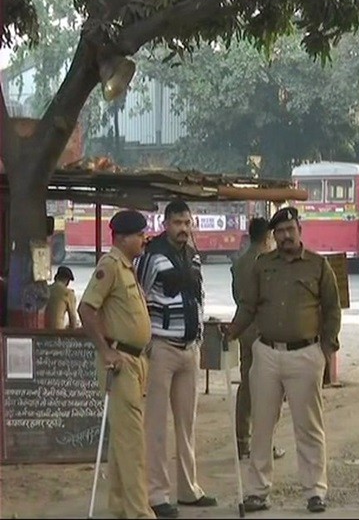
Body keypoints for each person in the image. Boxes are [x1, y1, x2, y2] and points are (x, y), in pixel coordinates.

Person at [224, 206, 341, 514]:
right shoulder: (262, 266)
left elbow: (332, 309)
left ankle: (315, 491)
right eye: (280, 232)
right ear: (273, 236)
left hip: (305, 354)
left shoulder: (318, 265)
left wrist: (326, 349)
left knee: (309, 427)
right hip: (266, 354)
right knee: (262, 426)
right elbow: (248, 306)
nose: (286, 236)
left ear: (300, 230)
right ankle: (257, 492)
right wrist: (232, 331)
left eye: (291, 230)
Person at [135, 201, 216, 518]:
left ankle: (189, 489)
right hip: (161, 347)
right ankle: (156, 494)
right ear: (165, 224)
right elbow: (139, 298)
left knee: (187, 424)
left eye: (187, 222)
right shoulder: (151, 256)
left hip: (189, 349)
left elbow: (199, 297)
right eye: (178, 223)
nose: (183, 228)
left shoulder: (193, 256)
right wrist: (146, 344)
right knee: (156, 425)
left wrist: (200, 337)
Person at [78, 210, 156, 519]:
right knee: (132, 441)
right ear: (122, 238)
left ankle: (121, 505)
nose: (143, 240)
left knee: (123, 439)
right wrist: (105, 351)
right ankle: (140, 512)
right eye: (139, 235)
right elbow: (86, 309)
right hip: (119, 360)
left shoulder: (128, 267)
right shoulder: (110, 266)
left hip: (136, 360)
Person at [230, 217, 285, 461]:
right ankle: (266, 443)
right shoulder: (268, 262)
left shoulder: (239, 262)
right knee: (270, 389)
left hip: (244, 330)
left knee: (246, 386)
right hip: (265, 332)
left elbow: (237, 297)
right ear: (268, 237)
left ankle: (243, 442)